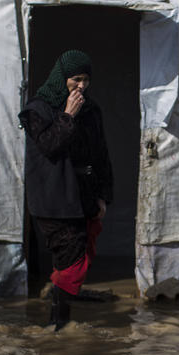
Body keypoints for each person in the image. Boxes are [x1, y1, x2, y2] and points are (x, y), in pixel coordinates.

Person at [19, 49, 114, 330]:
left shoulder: (91, 110)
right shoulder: (38, 109)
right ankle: (59, 325)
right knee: (70, 256)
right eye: (75, 80)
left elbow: (100, 154)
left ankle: (59, 320)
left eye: (86, 80)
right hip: (53, 197)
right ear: (62, 78)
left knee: (78, 255)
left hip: (83, 194)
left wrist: (103, 195)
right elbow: (49, 146)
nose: (81, 86)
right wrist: (67, 116)